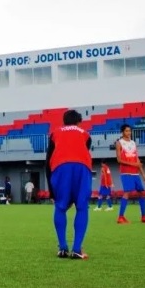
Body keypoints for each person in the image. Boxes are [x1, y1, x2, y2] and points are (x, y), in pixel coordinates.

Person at [46, 109, 92, 260]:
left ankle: (63, 248)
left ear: (64, 121)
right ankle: (77, 249)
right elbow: (85, 150)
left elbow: (47, 162)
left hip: (60, 167)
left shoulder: (55, 133)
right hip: (82, 168)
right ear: (78, 121)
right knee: (82, 207)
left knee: (60, 207)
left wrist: (52, 191)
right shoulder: (85, 134)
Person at [116, 124, 145, 224]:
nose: (129, 133)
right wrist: (133, 164)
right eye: (127, 131)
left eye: (130, 131)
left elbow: (137, 159)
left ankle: (144, 216)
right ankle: (121, 217)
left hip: (135, 173)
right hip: (126, 172)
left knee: (141, 192)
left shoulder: (133, 143)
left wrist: (143, 173)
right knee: (127, 193)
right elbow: (119, 160)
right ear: (122, 132)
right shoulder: (119, 143)